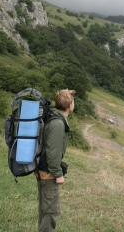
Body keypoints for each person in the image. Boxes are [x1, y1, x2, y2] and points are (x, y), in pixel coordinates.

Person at [36, 89, 76, 232]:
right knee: (51, 211)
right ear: (70, 104)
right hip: (48, 173)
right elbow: (53, 153)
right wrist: (58, 174)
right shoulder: (58, 124)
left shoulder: (54, 116)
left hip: (44, 171)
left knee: (45, 210)